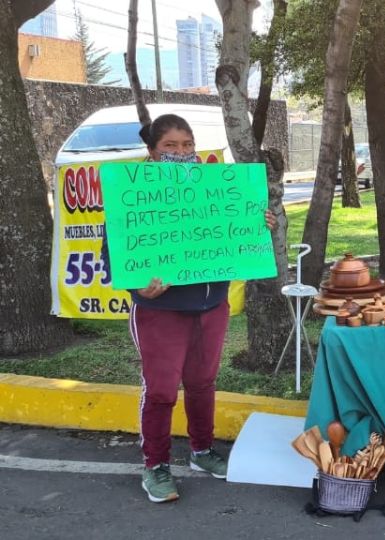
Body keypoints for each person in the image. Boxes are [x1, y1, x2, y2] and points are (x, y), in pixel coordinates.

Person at [103, 114, 277, 503]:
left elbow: (236, 236)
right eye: (170, 146)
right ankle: (156, 466)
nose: (181, 153)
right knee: (162, 390)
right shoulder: (132, 191)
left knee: (202, 382)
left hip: (210, 306)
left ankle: (202, 451)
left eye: (187, 144)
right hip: (159, 310)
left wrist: (257, 224)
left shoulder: (216, 185)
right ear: (152, 151)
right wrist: (138, 288)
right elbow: (113, 253)